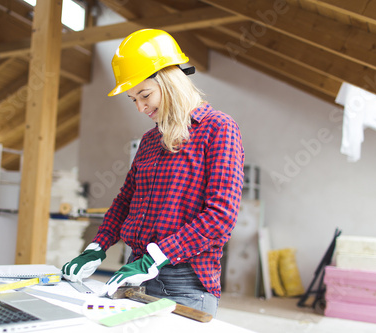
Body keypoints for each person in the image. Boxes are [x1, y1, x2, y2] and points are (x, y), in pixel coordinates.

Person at [62, 29, 244, 316]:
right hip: (136, 275)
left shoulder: (218, 129)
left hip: (185, 285)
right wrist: (98, 246)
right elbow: (125, 201)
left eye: (145, 95)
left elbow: (221, 216)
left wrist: (156, 257)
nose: (140, 107)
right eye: (133, 99)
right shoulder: (149, 140)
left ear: (170, 82)